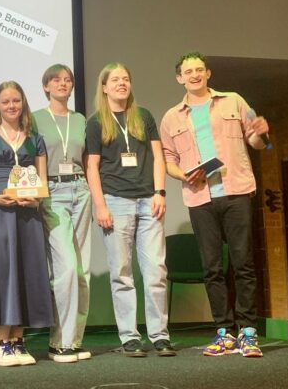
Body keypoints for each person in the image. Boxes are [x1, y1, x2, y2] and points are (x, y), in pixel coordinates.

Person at [160, 52, 269, 358]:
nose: (193, 75)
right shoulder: (172, 116)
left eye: (198, 70)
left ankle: (248, 333)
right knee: (211, 268)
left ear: (207, 73)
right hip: (200, 198)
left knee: (243, 263)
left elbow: (255, 141)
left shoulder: (233, 100)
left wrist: (260, 133)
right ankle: (225, 333)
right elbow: (168, 159)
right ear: (179, 78)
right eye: (187, 71)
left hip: (236, 191)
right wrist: (185, 176)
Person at [85, 63, 175, 358]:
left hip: (149, 201)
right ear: (104, 87)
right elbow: (92, 167)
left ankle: (160, 335)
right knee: (122, 273)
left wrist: (160, 191)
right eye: (115, 79)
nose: (122, 83)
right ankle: (129, 337)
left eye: (126, 78)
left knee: (155, 272)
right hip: (115, 201)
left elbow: (158, 157)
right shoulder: (97, 121)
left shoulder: (144, 116)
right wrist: (100, 205)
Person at [0, 81, 53, 367]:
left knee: (25, 272)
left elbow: (42, 181)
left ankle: (17, 341)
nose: (11, 106)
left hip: (27, 215)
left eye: (16, 101)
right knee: (1, 272)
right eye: (6, 102)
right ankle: (1, 342)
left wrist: (36, 201)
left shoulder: (35, 139)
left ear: (23, 103)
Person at [32, 65, 92, 363]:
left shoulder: (80, 119)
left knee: (82, 271)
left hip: (81, 190)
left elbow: (89, 160)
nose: (63, 84)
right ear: (46, 86)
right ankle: (60, 341)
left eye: (68, 80)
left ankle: (74, 340)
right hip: (52, 192)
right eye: (56, 80)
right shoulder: (35, 119)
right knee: (65, 267)